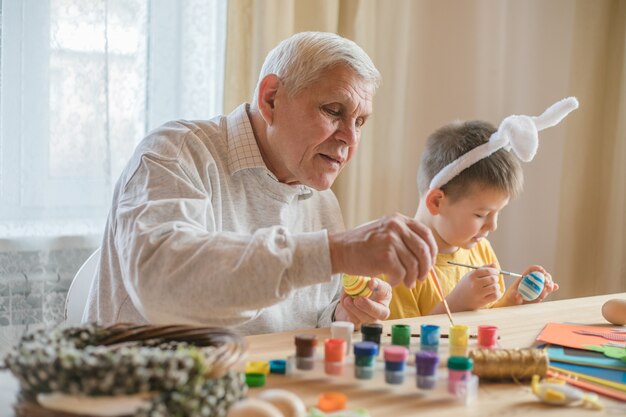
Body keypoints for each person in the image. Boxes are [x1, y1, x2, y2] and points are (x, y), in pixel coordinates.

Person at [84, 31, 437, 334]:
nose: (349, 138)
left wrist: (342, 315)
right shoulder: (175, 154)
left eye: (360, 122)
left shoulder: (320, 200)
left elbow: (306, 322)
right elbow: (161, 287)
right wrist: (336, 251)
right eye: (333, 111)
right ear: (271, 99)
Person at [343, 97, 577, 319]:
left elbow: (484, 325)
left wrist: (514, 300)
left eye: (498, 213)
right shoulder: (396, 263)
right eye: (481, 214)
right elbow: (401, 343)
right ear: (436, 202)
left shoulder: (481, 250)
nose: (492, 225)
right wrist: (457, 304)